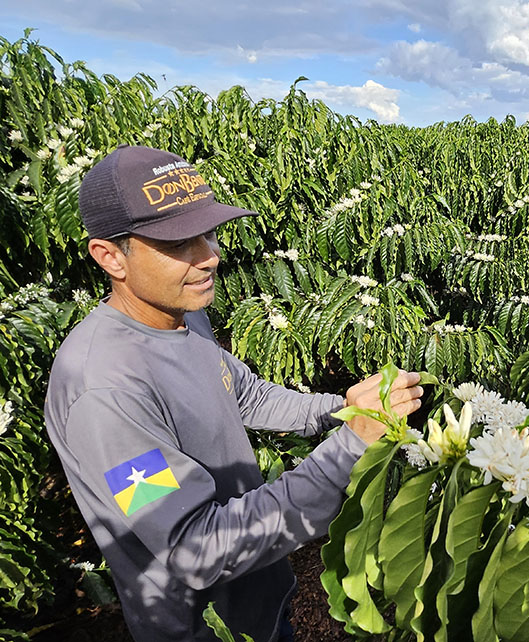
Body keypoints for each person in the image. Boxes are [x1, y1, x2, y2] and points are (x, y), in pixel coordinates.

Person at [43, 145, 423, 642]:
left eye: (207, 232)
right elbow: (194, 548)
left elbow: (244, 393)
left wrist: (345, 408)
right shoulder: (104, 391)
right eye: (178, 243)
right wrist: (348, 447)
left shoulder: (183, 313)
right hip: (206, 628)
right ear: (110, 255)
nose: (210, 256)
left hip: (258, 599)